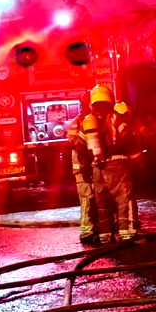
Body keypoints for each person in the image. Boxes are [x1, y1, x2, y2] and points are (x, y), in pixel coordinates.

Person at [83, 85, 142, 243]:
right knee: (124, 199)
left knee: (103, 203)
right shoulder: (116, 117)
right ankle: (127, 233)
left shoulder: (90, 120)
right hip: (117, 164)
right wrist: (137, 158)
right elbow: (127, 137)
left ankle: (105, 236)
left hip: (97, 166)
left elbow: (81, 145)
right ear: (111, 99)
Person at [67, 91, 100, 246]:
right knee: (87, 199)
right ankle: (87, 232)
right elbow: (74, 142)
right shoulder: (79, 121)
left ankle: (100, 228)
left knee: (99, 198)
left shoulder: (94, 119)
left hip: (94, 165)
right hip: (82, 167)